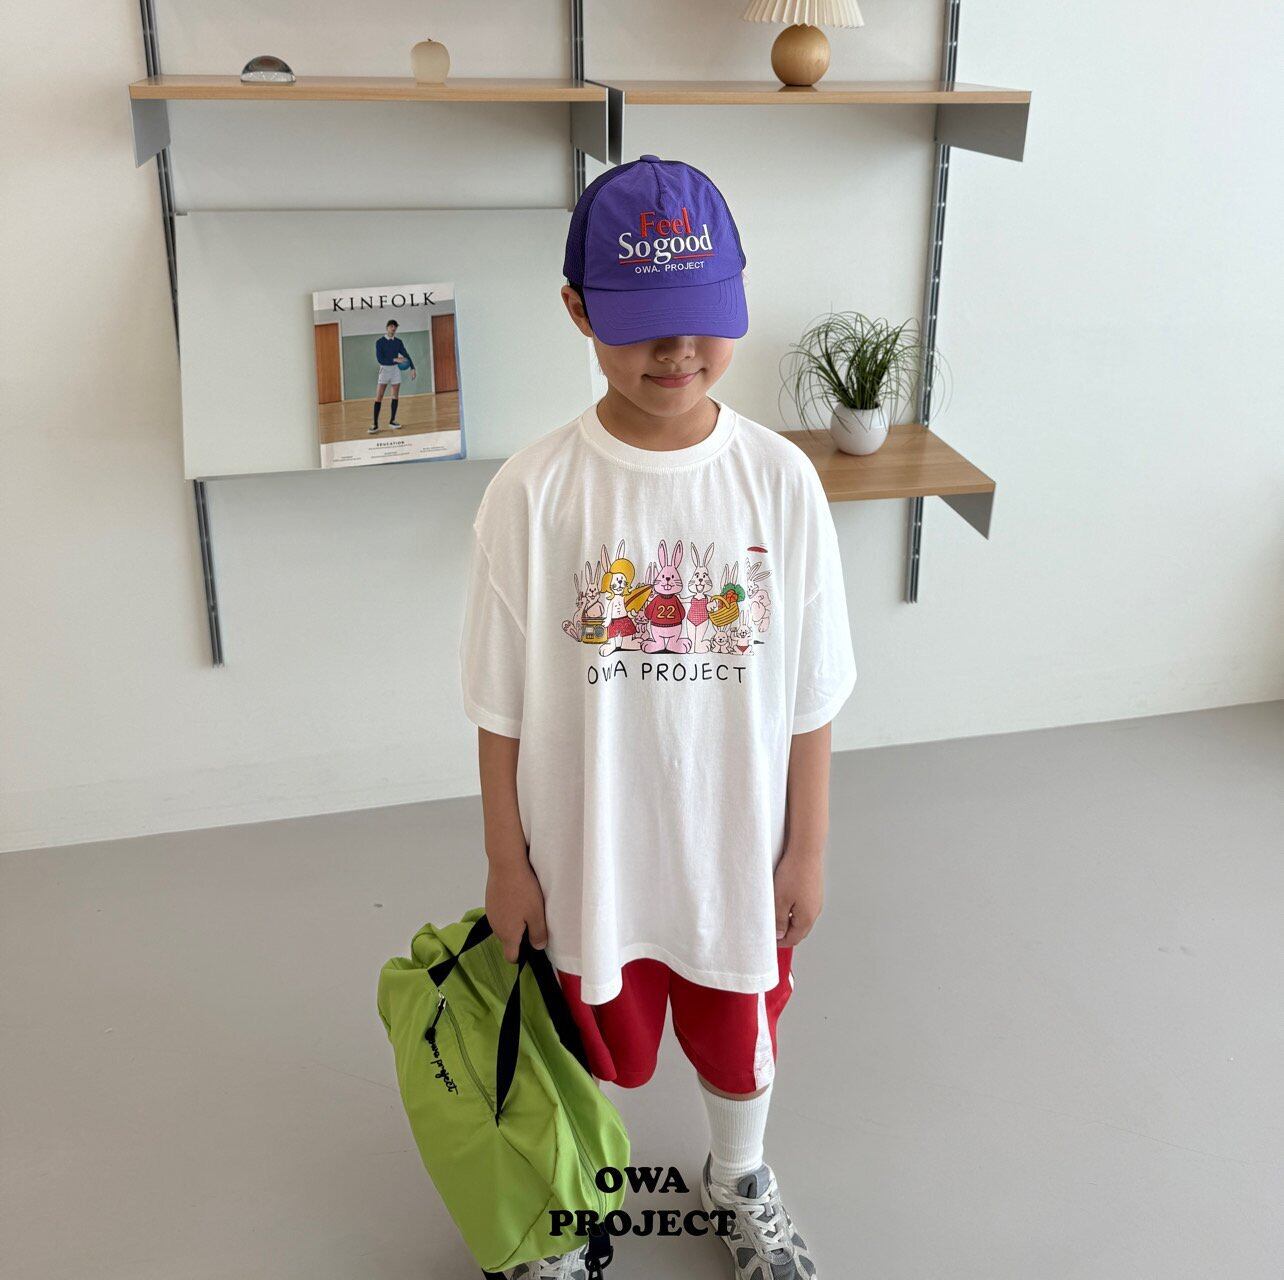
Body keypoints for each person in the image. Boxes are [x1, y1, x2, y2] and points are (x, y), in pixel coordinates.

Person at [460, 155, 856, 1280]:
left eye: (702, 317)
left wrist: (808, 848)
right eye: (643, 324)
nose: (678, 351)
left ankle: (741, 1176)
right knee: (589, 1045)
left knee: (741, 1037)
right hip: (590, 857)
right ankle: (574, 1198)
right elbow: (496, 704)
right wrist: (506, 862)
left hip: (737, 851)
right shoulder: (533, 492)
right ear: (579, 310)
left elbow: (812, 691)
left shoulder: (780, 481)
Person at [371, 319, 415, 432]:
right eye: (391, 326)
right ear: (387, 328)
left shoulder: (398, 342)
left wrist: (412, 368)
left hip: (395, 370)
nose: (393, 328)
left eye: (395, 327)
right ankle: (375, 424)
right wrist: (395, 359)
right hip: (384, 370)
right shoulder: (380, 342)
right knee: (379, 397)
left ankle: (392, 421)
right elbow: (380, 359)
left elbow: (406, 354)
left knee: (395, 396)